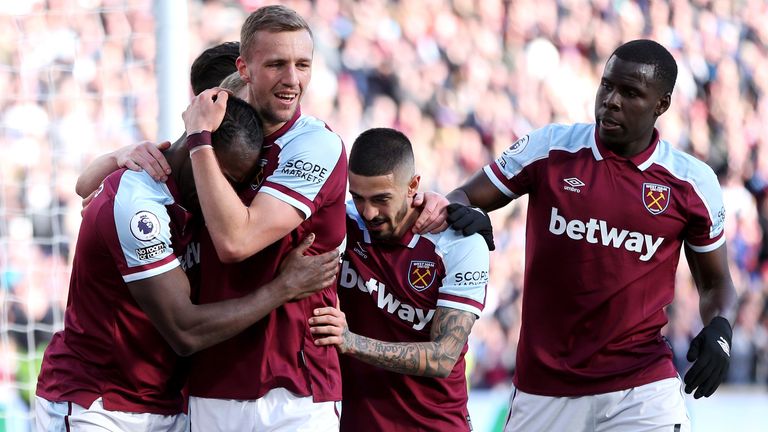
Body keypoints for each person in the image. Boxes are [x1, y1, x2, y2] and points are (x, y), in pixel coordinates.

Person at [415, 39, 737, 431]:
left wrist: (720, 329)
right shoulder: (550, 148)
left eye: (631, 93)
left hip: (640, 387)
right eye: (607, 86)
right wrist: (466, 213)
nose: (611, 101)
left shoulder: (691, 183)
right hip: (544, 389)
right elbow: (463, 195)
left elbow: (716, 283)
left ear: (661, 105)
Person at [35, 95, 340, 432]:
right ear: (196, 150)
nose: (224, 192)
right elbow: (184, 330)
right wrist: (283, 288)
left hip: (169, 406)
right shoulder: (139, 207)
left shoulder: (199, 203)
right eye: (221, 176)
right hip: (98, 404)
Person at [307, 128, 489, 431]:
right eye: (358, 197)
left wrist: (351, 342)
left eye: (381, 199)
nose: (369, 212)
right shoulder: (342, 225)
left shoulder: (460, 243)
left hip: (435, 425)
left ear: (413, 185)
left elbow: (443, 357)